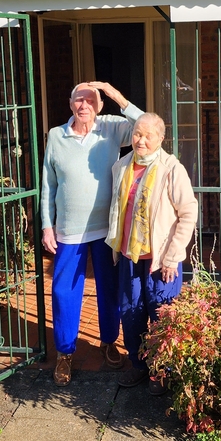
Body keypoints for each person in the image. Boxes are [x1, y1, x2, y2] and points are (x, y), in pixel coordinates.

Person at [40, 81, 142, 386]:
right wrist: (47, 224)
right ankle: (65, 353)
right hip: (70, 230)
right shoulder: (56, 136)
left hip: (106, 229)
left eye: (90, 100)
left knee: (109, 289)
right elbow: (49, 184)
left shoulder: (111, 127)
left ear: (98, 106)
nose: (83, 105)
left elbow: (146, 125)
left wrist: (115, 94)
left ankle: (109, 341)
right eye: (77, 100)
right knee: (63, 292)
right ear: (71, 104)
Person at [106, 113, 198, 395]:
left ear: (160, 138)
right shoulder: (121, 166)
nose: (141, 140)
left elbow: (188, 213)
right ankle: (138, 365)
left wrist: (173, 255)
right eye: (137, 134)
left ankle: (163, 371)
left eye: (148, 135)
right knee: (131, 313)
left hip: (161, 260)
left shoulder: (172, 168)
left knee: (162, 314)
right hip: (130, 256)